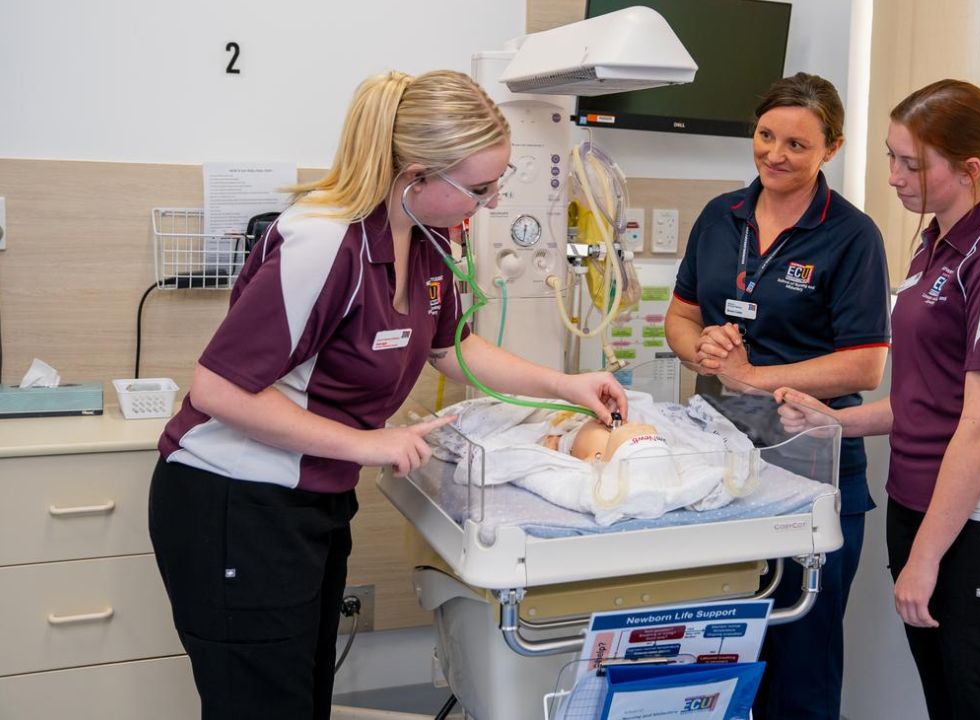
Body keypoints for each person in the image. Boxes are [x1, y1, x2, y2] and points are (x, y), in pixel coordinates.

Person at [148, 70, 627, 720]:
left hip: (312, 499)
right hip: (236, 501)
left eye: (499, 183)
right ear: (416, 176)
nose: (490, 203)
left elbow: (450, 346)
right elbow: (219, 388)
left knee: (302, 700)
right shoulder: (324, 242)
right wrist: (370, 443)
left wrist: (564, 386)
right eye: (479, 188)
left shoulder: (429, 239)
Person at [776, 79, 980, 719]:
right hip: (917, 506)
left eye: (912, 164)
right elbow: (924, 399)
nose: (894, 177)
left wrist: (927, 557)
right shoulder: (935, 240)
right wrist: (835, 420)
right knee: (947, 704)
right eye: (891, 156)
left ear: (969, 168)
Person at [664, 72, 891, 719]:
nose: (775, 154)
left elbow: (865, 365)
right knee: (714, 660)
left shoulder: (851, 236)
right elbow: (680, 317)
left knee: (800, 668)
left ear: (832, 149)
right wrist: (703, 349)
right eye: (766, 135)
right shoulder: (720, 216)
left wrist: (752, 377)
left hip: (809, 467)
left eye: (797, 144)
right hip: (716, 464)